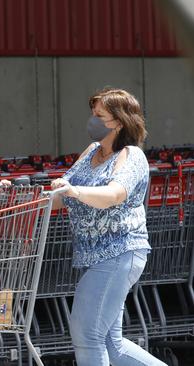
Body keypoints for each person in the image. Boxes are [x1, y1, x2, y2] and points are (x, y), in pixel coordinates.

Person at [49, 88, 166, 365]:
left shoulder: (132, 156)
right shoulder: (91, 151)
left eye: (100, 116)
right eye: (93, 115)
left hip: (120, 252)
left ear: (120, 122)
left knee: (87, 334)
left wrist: (74, 191)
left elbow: (114, 194)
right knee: (111, 344)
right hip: (93, 256)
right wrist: (23, 193)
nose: (93, 121)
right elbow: (60, 196)